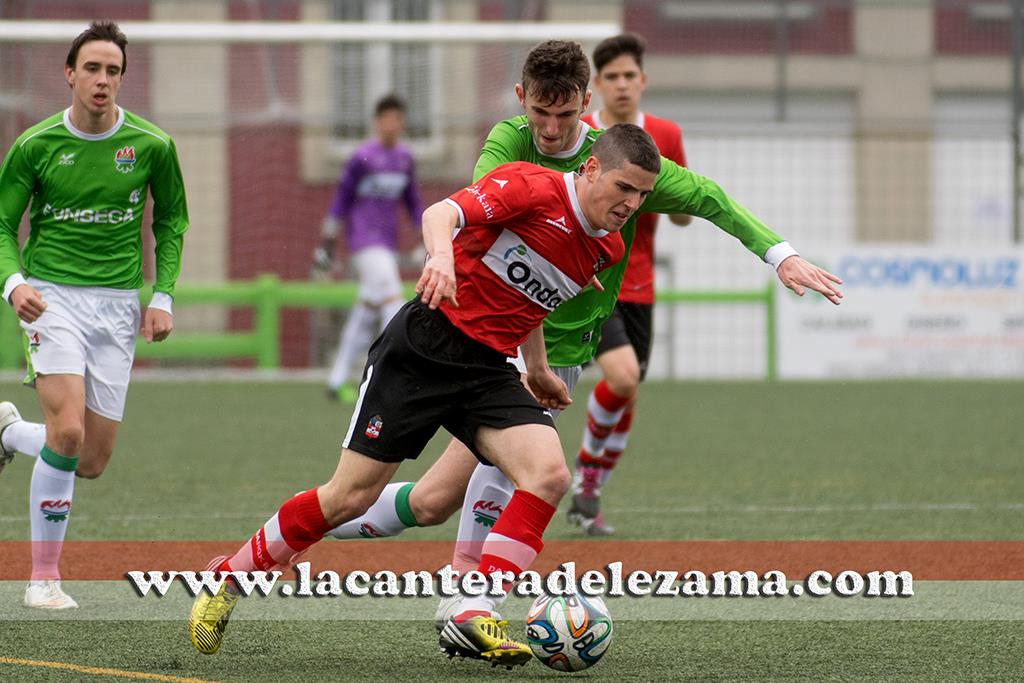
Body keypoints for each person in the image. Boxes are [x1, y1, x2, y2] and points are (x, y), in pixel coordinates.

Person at [323, 40, 842, 630]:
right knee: (519, 475)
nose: (548, 129)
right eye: (539, 114)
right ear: (523, 101)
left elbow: (708, 198)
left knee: (433, 501)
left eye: (564, 116)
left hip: (560, 352)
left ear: (584, 106)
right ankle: (470, 606)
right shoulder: (509, 143)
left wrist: (780, 255)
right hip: (489, 343)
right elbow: (485, 226)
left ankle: (322, 522)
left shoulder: (618, 162)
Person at [187, 125, 663, 668]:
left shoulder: (606, 246)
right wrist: (440, 257)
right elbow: (441, 213)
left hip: (488, 370)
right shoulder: (532, 187)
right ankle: (227, 576)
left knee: (549, 474)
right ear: (592, 169)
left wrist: (537, 367)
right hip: (423, 348)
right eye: (625, 187)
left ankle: (472, 604)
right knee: (348, 497)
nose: (632, 203)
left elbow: (532, 300)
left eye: (643, 195)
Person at [0, 20, 189, 610]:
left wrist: (163, 294)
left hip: (116, 306)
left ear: (122, 78)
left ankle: (7, 432)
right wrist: (13, 284)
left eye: (113, 71)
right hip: (50, 296)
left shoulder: (152, 145)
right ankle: (43, 579)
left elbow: (172, 221)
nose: (102, 80)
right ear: (70, 74)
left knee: (90, 460)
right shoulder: (35, 145)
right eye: (92, 68)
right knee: (70, 431)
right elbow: (3, 225)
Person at [568, 32, 692, 535]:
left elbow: (684, 214)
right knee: (621, 376)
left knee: (628, 390)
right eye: (611, 77)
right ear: (596, 85)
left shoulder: (665, 134)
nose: (621, 85)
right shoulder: (581, 134)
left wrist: (673, 200)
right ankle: (575, 473)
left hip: (638, 284)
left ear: (643, 82)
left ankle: (590, 488)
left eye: (629, 77)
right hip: (588, 281)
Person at [313, 94, 423, 402]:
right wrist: (328, 238)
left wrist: (423, 233)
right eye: (386, 118)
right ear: (377, 122)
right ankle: (399, 375)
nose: (392, 124)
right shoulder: (362, 157)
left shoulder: (405, 159)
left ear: (401, 123)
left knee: (365, 312)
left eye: (397, 118)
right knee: (393, 298)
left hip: (387, 244)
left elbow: (412, 201)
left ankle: (336, 380)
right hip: (363, 243)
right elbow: (341, 199)